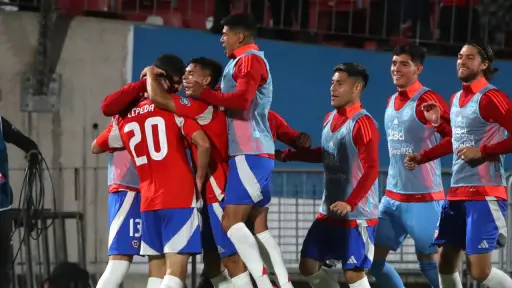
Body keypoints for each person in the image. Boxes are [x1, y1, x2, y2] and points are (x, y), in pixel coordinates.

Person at [183, 13, 289, 288]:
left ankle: (269, 285)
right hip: (250, 153)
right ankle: (283, 284)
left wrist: (201, 93)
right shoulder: (238, 63)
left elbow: (241, 101)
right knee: (258, 228)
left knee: (231, 223)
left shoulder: (250, 60)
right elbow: (228, 100)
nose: (221, 38)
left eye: (225, 33)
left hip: (250, 152)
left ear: (239, 36)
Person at [104, 55, 211, 288]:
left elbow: (102, 142)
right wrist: (200, 179)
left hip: (148, 199)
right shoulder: (173, 107)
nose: (178, 86)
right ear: (163, 78)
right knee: (175, 271)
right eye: (175, 81)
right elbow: (203, 144)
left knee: (157, 270)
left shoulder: (124, 115)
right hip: (178, 194)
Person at [415, 42, 512, 287]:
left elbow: (480, 147)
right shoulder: (456, 98)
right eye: (459, 57)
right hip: (456, 194)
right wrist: (425, 151)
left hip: (485, 194)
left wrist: (484, 151)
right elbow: (456, 142)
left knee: (479, 271)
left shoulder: (492, 97)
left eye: (469, 57)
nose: (462, 61)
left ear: (484, 64)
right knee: (445, 262)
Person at [280, 63, 379, 288]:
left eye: (340, 84)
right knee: (308, 265)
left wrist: (350, 203)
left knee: (353, 274)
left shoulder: (363, 124)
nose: (332, 88)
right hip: (329, 211)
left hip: (357, 215)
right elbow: (326, 154)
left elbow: (372, 169)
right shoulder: (329, 118)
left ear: (357, 88)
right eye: (332, 83)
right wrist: (289, 155)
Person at [369, 44, 451, 288]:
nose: (397, 68)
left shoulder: (428, 100)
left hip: (424, 200)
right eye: (394, 63)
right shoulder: (391, 100)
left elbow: (453, 139)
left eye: (404, 64)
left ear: (418, 69)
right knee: (372, 261)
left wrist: (424, 155)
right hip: (392, 199)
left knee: (430, 261)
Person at [92, 125, 157, 288]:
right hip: (128, 188)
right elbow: (96, 146)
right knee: (120, 261)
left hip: (152, 189)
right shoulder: (124, 117)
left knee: (159, 259)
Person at [0, 117, 39, 288]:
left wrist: (33, 152)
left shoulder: (1, 124)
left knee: (2, 269)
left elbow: (27, 143)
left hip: (2, 207)